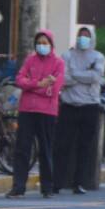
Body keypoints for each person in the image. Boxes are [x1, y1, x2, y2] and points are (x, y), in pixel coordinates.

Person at [7, 30, 65, 198]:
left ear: (51, 45)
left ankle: (47, 187)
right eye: (39, 42)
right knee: (22, 149)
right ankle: (18, 186)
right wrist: (39, 84)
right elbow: (19, 79)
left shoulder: (58, 63)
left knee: (45, 149)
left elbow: (54, 89)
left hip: (47, 112)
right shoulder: (30, 60)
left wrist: (31, 87)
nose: (42, 46)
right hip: (27, 110)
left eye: (45, 43)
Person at [56, 26, 105, 195]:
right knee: (63, 145)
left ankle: (79, 183)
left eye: (86, 36)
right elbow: (63, 78)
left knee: (85, 147)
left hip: (89, 107)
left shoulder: (98, 57)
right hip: (69, 106)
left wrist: (75, 74)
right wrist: (84, 75)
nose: (82, 38)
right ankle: (58, 181)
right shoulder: (67, 55)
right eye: (80, 35)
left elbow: (96, 77)